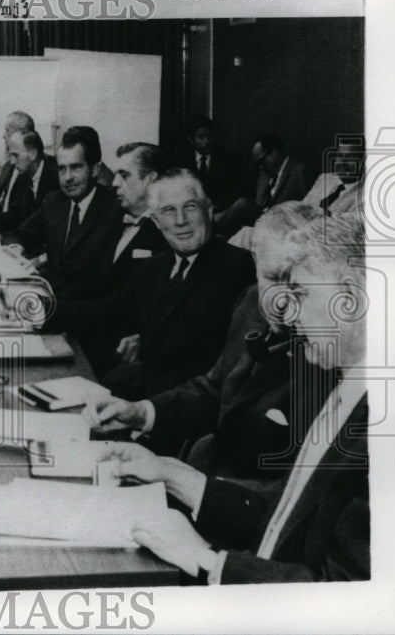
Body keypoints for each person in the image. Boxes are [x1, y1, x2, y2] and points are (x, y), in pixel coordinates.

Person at [108, 212, 368, 584]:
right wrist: (173, 475)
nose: (290, 314)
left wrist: (205, 560)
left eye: (302, 294)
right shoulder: (351, 385)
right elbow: (289, 518)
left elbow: (346, 597)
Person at [87, 202, 330, 482]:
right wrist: (141, 412)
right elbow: (215, 389)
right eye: (272, 278)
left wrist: (186, 484)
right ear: (255, 261)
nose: (282, 298)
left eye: (297, 283)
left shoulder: (329, 350)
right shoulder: (251, 302)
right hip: (206, 476)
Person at [78, 168, 255, 396]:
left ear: (209, 210)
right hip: (148, 395)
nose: (181, 221)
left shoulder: (237, 267)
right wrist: (46, 309)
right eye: (169, 211)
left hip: (188, 407)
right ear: (156, 221)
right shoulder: (153, 267)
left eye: (190, 207)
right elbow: (105, 311)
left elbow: (221, 369)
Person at [6, 125, 123, 304]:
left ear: (94, 170)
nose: (67, 177)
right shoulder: (54, 201)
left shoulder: (113, 211)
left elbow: (96, 285)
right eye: (62, 169)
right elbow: (19, 235)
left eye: (75, 167)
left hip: (79, 313)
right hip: (44, 297)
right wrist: (16, 250)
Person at [109, 142, 171, 292]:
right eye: (116, 175)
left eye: (124, 175)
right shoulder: (112, 219)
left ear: (150, 180)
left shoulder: (167, 231)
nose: (115, 183)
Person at [0, 130, 58, 236]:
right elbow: (15, 217)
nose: (12, 162)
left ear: (33, 154)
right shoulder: (24, 175)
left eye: (16, 156)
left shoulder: (55, 177)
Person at [177, 115, 246, 212]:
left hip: (222, 215)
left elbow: (237, 192)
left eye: (210, 136)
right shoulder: (181, 161)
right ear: (191, 139)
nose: (207, 141)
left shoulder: (230, 159)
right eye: (201, 137)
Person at [303, 134, 364, 215]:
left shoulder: (365, 193)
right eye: (339, 155)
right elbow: (302, 207)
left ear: (363, 161)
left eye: (350, 157)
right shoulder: (325, 179)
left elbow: (348, 224)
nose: (342, 162)